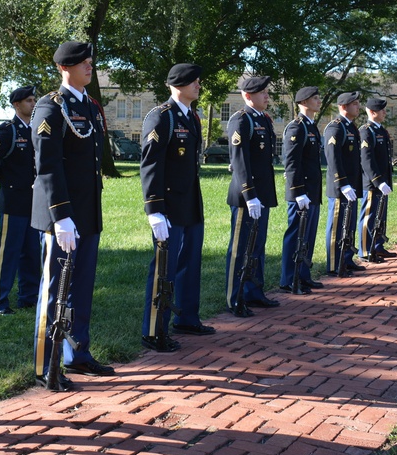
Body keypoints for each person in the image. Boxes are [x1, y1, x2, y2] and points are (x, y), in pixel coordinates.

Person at [31, 41, 114, 391]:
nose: (89, 67)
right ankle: (46, 362)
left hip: (87, 212)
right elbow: (47, 166)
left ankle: (77, 351)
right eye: (83, 62)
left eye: (91, 62)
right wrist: (61, 216)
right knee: (55, 290)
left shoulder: (91, 107)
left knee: (81, 288)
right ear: (65, 67)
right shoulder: (50, 107)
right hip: (60, 216)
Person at [139, 63, 215, 352]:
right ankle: (153, 329)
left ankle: (187, 318)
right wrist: (153, 209)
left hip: (190, 202)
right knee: (164, 269)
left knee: (190, 264)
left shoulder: (192, 117)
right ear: (178, 84)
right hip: (169, 205)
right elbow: (150, 165)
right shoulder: (162, 117)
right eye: (193, 81)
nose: (198, 85)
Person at [0, 86, 41, 315]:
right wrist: (8, 181)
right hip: (13, 203)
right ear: (17, 105)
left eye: (35, 100)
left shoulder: (36, 130)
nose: (33, 104)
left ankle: (28, 297)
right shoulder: (8, 131)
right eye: (29, 101)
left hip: (33, 203)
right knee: (8, 254)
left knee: (32, 254)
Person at [225, 75, 280, 316]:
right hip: (245, 195)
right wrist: (250, 194)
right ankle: (234, 297)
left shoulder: (264, 119)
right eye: (261, 92)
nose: (267, 95)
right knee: (240, 248)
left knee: (257, 244)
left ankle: (254, 291)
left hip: (261, 194)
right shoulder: (241, 120)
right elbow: (240, 161)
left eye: (266, 91)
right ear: (248, 96)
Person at [279, 86, 324, 294]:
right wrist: (298, 191)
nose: (319, 101)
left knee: (308, 236)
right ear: (303, 102)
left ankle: (303, 275)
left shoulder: (312, 126)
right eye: (315, 98)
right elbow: (292, 163)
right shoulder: (297, 127)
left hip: (312, 191)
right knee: (296, 234)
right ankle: (289, 278)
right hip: (300, 192)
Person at [323, 91, 364, 276]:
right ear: (343, 107)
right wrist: (343, 183)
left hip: (352, 185)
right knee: (337, 227)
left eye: (358, 103)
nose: (358, 107)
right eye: (354, 104)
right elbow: (333, 159)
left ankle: (346, 258)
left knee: (349, 225)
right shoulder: (336, 127)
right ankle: (334, 264)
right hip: (341, 187)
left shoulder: (352, 127)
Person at [359, 96, 397, 262]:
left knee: (380, 216)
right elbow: (366, 159)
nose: (385, 112)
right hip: (372, 183)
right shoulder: (366, 131)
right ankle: (366, 250)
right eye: (382, 110)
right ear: (373, 112)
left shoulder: (381, 130)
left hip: (383, 181)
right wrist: (378, 181)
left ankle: (378, 245)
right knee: (369, 216)